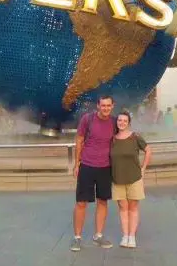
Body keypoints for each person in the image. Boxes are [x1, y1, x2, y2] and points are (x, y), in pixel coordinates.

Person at [70, 95, 116, 252]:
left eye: (108, 105)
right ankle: (77, 238)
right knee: (81, 202)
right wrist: (77, 164)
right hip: (87, 166)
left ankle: (98, 235)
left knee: (103, 201)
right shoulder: (87, 119)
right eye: (103, 105)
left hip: (105, 167)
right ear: (98, 106)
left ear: (112, 106)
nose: (106, 108)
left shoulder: (114, 122)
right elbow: (79, 140)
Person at [111, 111, 151, 249]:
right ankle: (125, 235)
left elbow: (148, 150)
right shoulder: (113, 139)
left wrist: (143, 168)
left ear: (128, 123)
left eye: (124, 120)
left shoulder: (135, 137)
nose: (121, 122)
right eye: (119, 120)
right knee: (123, 208)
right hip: (117, 178)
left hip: (134, 178)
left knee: (133, 208)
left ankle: (132, 236)